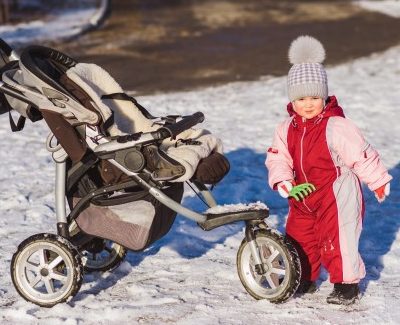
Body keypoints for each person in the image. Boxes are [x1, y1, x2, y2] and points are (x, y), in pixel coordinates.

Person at [265, 35, 392, 305]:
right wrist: (285, 183)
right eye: (301, 98)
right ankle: (306, 277)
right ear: (292, 100)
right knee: (299, 238)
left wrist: (378, 180)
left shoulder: (336, 126)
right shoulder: (285, 128)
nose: (308, 104)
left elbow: (362, 154)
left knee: (339, 237)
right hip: (302, 194)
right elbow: (277, 159)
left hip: (336, 194)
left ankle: (346, 285)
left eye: (314, 97)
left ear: (324, 96)